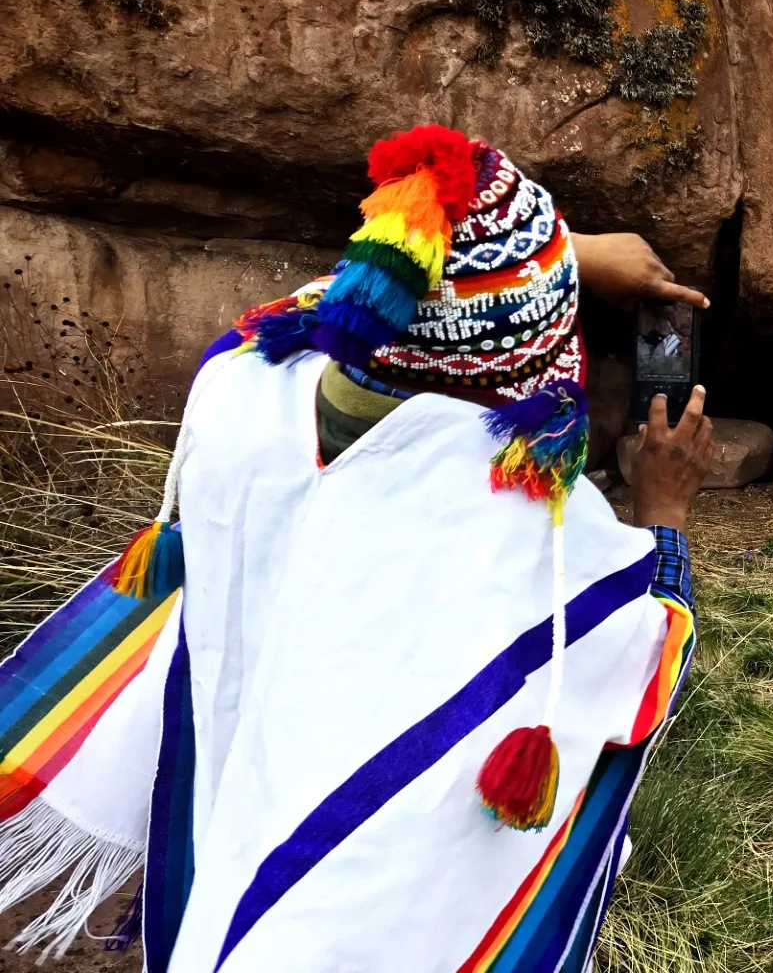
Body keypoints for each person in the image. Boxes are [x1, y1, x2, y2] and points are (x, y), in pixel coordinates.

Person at [0, 126, 716, 970]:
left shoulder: (241, 392)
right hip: (372, 913)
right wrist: (664, 505)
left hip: (247, 784)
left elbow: (332, 299)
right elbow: (650, 651)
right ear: (533, 358)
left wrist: (569, 254)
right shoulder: (515, 520)